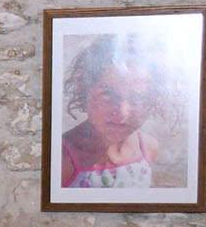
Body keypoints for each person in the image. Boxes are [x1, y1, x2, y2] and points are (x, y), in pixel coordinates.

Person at [59, 34, 176, 189]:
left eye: (137, 98)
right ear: (84, 91)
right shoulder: (62, 158)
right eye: (108, 95)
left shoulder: (147, 148)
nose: (122, 114)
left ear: (153, 99)